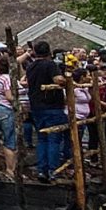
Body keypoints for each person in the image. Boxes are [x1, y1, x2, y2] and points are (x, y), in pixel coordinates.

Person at [26, 40, 68, 181]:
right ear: (49, 52)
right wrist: (67, 80)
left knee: (42, 139)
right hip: (52, 106)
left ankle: (41, 170)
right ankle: (53, 170)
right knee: (54, 140)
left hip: (36, 106)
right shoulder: (50, 65)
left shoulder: (30, 66)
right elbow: (58, 80)